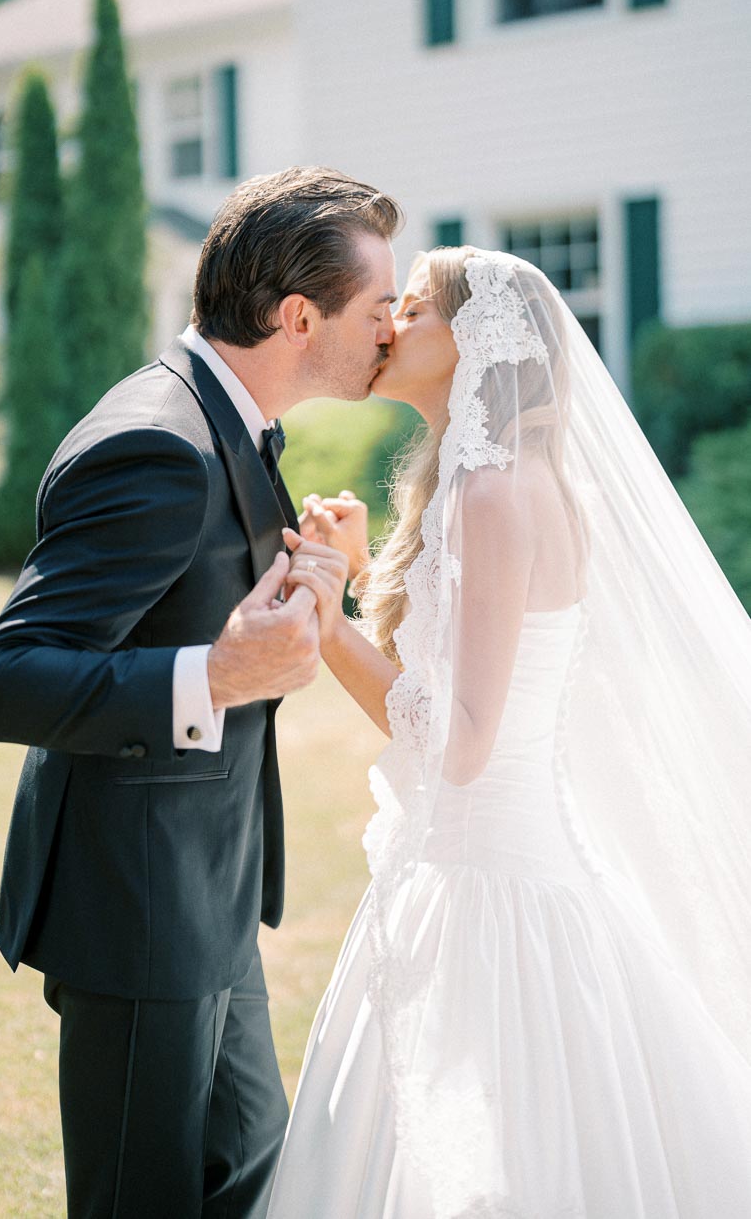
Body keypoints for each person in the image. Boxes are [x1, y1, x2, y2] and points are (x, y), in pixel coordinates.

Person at [270, 245, 751, 1218]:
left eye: (409, 306)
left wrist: (325, 627)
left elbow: (463, 740)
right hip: (494, 850)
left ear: (474, 339)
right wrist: (359, 580)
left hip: (488, 881)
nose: (386, 324)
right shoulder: (499, 481)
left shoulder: (493, 493)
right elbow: (460, 671)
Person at [0, 166, 401, 1219]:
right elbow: (2, 683)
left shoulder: (229, 416)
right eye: (377, 308)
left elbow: (191, 596)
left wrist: (316, 583)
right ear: (300, 316)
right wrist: (212, 675)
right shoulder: (157, 440)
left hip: (213, 902)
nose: (391, 329)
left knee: (252, 1178)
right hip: (139, 914)